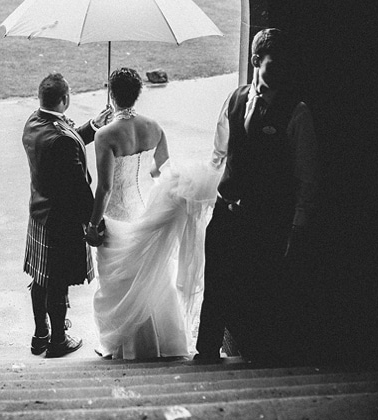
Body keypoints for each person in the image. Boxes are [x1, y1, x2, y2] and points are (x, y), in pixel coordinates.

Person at [194, 27, 319, 364]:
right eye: (271, 64)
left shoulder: (297, 112)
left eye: (283, 65)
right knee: (215, 282)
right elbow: (220, 149)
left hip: (266, 217)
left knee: (259, 288)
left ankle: (257, 355)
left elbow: (306, 176)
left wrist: (298, 224)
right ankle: (206, 352)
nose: (278, 72)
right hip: (226, 210)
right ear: (254, 61)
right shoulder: (235, 99)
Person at [86, 68, 219, 359]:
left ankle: (124, 346)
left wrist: (92, 225)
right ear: (137, 93)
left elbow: (105, 187)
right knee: (151, 279)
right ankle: (161, 344)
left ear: (111, 94)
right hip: (145, 211)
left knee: (118, 284)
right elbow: (162, 172)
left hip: (117, 218)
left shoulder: (104, 135)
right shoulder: (154, 128)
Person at [22, 73, 111, 358]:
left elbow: (65, 143)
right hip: (60, 219)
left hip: (40, 213)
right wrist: (94, 223)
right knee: (57, 282)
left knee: (40, 278)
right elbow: (79, 188)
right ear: (66, 99)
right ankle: (58, 341)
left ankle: (40, 336)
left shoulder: (34, 122)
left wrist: (93, 127)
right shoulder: (61, 138)